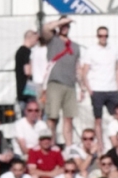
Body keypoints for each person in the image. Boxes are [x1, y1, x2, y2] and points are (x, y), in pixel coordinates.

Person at [41, 16, 82, 149]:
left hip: (70, 85)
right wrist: (62, 21)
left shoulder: (75, 46)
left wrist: (82, 87)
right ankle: (51, 145)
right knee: (52, 117)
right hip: (55, 82)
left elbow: (77, 68)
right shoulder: (53, 40)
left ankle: (69, 146)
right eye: (63, 26)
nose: (65, 28)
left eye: (67, 26)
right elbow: (45, 28)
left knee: (69, 118)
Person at [82, 26, 118, 141]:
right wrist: (89, 89)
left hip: (112, 89)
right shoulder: (91, 50)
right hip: (97, 89)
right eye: (101, 35)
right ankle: (100, 146)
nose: (103, 38)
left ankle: (117, 143)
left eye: (105, 35)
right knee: (98, 119)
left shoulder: (114, 49)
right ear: (97, 36)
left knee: (117, 117)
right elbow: (84, 71)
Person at [15, 30, 38, 110]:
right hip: (28, 90)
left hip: (21, 90)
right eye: (36, 39)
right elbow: (27, 71)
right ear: (30, 38)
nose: (36, 42)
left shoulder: (19, 51)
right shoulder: (26, 52)